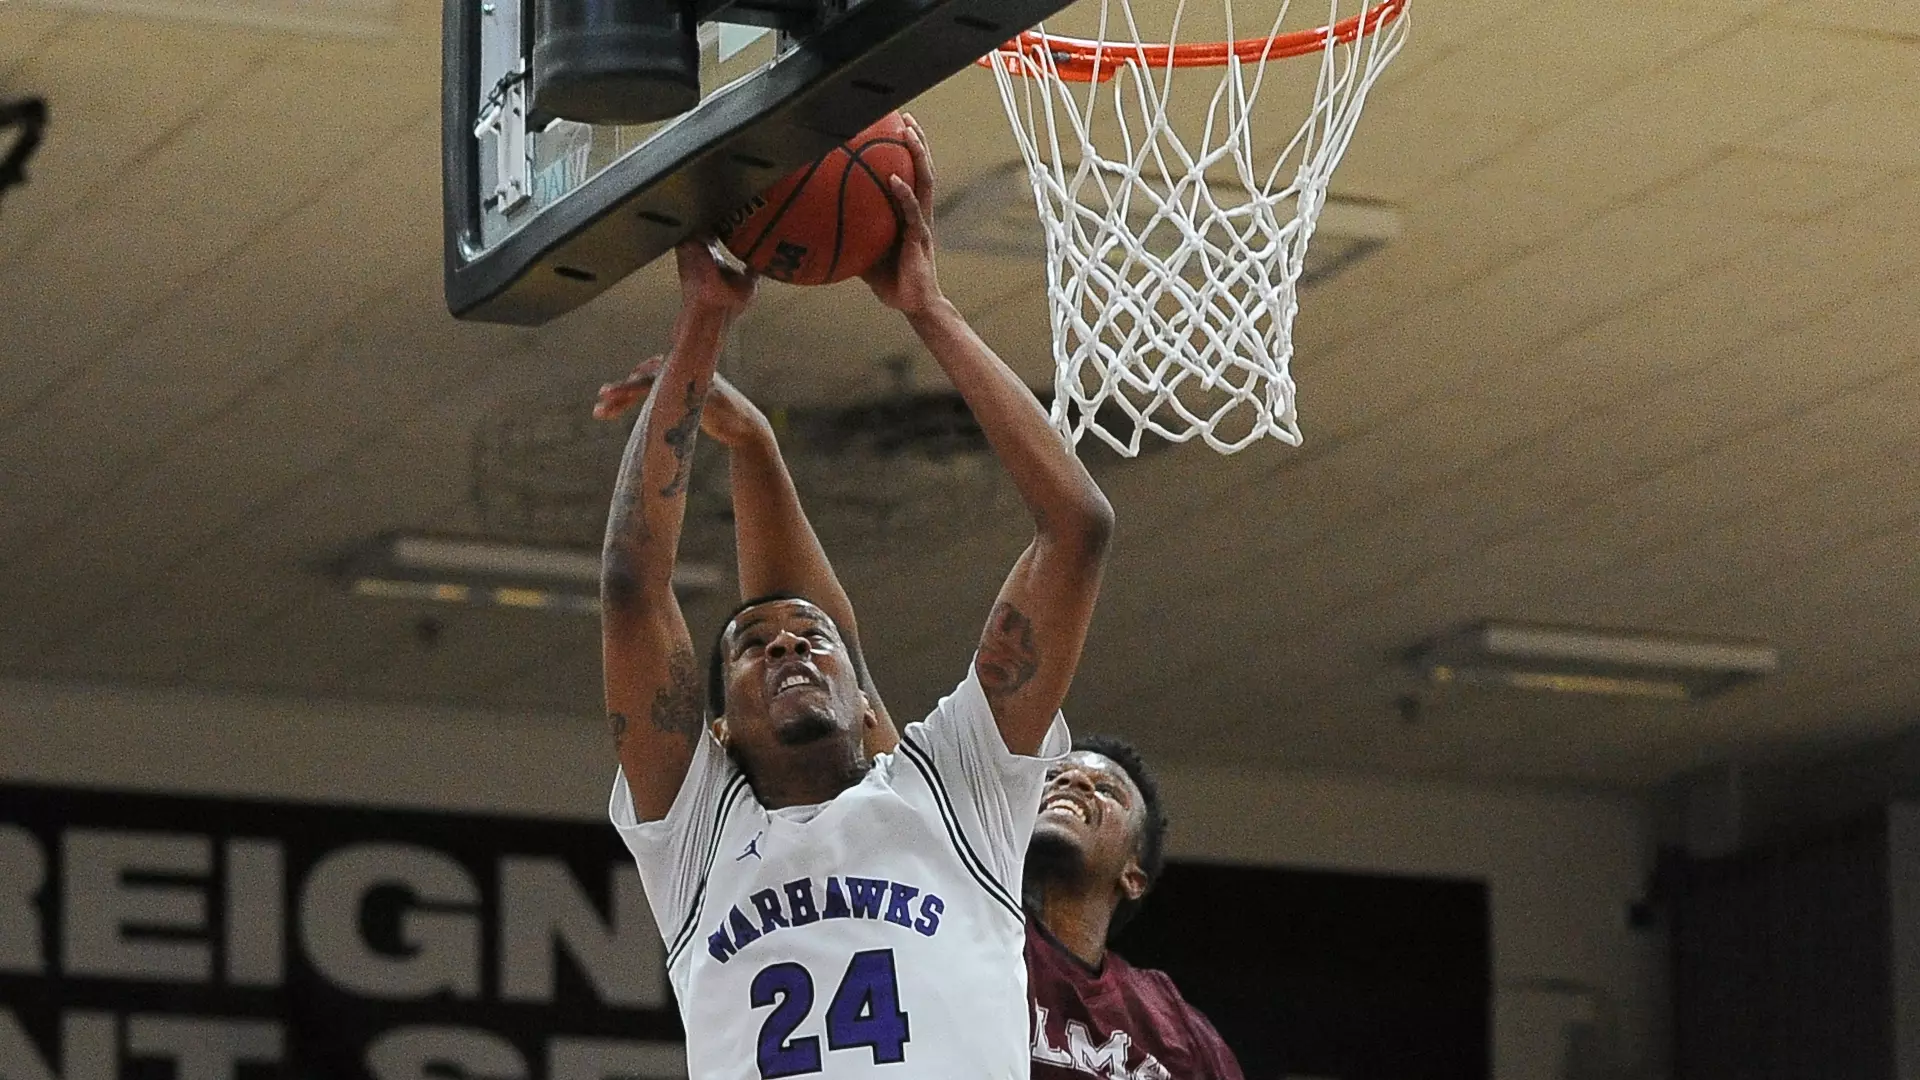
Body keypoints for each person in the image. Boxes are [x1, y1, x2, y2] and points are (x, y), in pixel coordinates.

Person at [598, 112, 1114, 1079]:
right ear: (715, 729)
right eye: (752, 646)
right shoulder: (698, 836)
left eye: (813, 639)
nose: (789, 646)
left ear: (870, 703)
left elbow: (1076, 527)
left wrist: (928, 308)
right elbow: (634, 591)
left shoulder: (955, 789)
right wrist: (700, 323)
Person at [1024, 736, 1246, 1080]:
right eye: (1052, 776)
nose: (1072, 780)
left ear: (1132, 877)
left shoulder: (1173, 1025)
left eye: (1107, 790)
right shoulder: (968, 938)